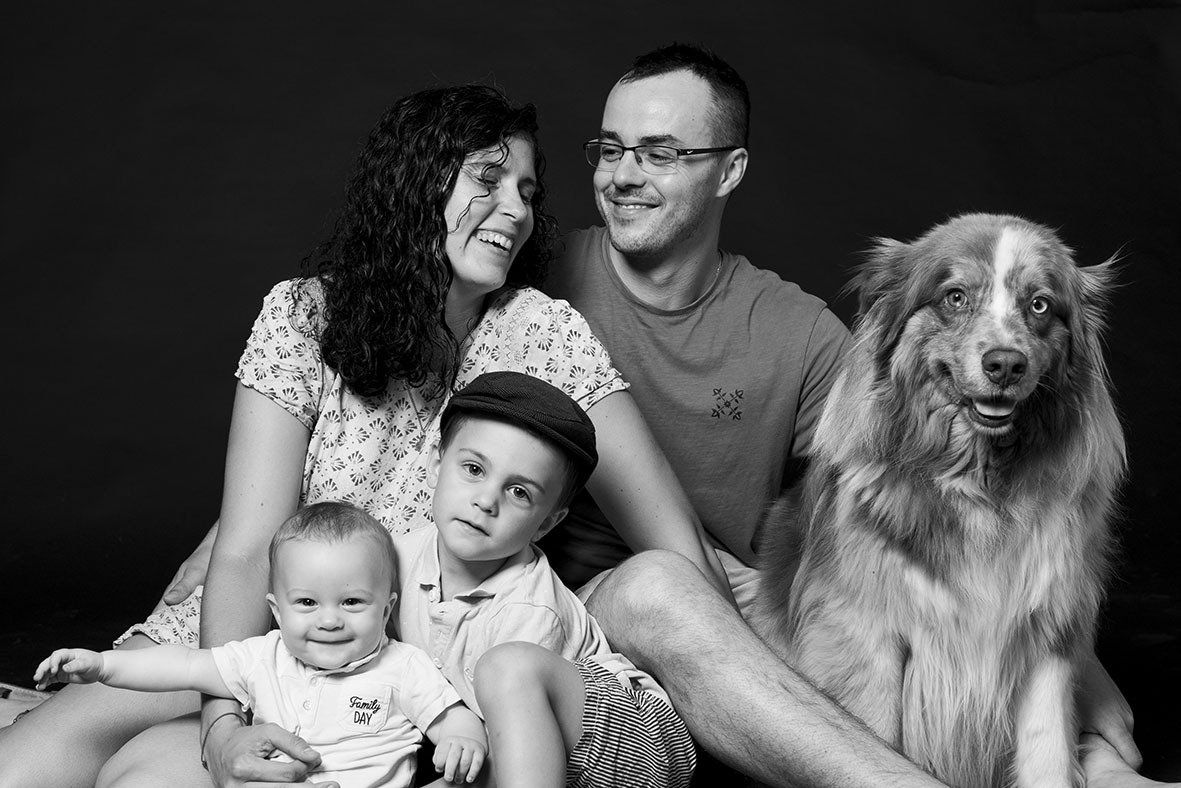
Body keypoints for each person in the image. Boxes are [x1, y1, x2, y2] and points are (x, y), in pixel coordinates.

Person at [0, 84, 724, 788]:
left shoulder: (543, 333)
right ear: (416, 184)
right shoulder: (302, 316)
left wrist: (700, 660)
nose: (515, 210)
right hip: (244, 635)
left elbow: (671, 543)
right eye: (488, 180)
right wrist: (226, 724)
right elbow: (249, 548)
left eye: (528, 193)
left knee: (145, 779)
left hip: (376, 683)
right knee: (21, 768)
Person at [541, 43, 1152, 788]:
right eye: (610, 150)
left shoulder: (793, 329)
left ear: (728, 169)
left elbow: (891, 458)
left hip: (727, 583)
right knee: (661, 583)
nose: (623, 174)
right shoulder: (541, 282)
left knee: (813, 581)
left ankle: (1090, 772)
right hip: (585, 593)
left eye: (659, 152)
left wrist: (1066, 642)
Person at [33, 502, 486, 788]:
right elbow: (184, 666)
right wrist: (103, 667)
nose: (329, 620)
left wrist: (462, 742)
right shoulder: (262, 657)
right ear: (277, 609)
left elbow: (453, 718)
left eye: (352, 602)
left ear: (386, 611)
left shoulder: (403, 667)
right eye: (307, 602)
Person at [392, 370, 695, 788]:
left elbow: (507, 756)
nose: (486, 500)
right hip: (515, 745)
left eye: (520, 493)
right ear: (434, 465)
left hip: (635, 739)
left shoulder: (528, 608)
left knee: (506, 667)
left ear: (546, 523)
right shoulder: (394, 559)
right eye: (474, 469)